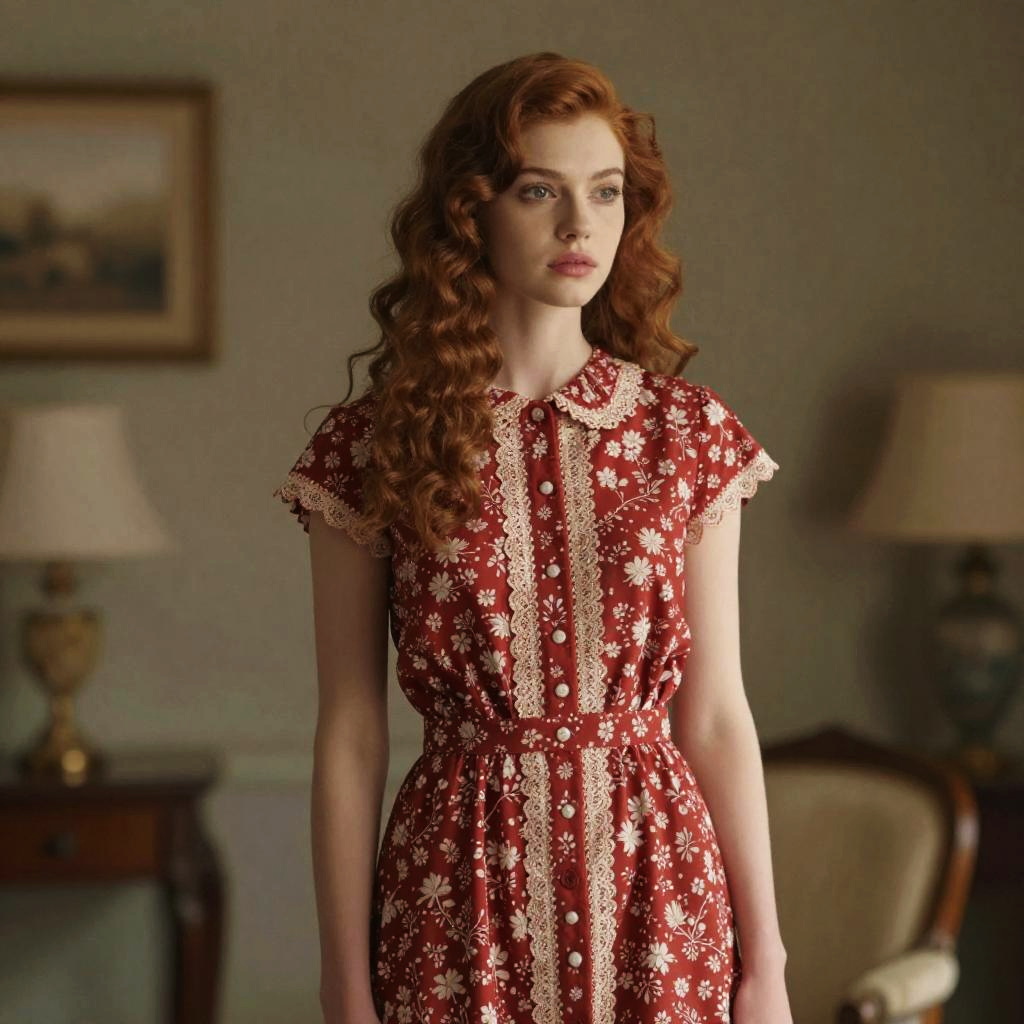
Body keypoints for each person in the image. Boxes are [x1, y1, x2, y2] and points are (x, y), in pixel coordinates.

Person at [273, 51, 791, 1024]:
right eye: (538, 190)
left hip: (657, 885)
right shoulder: (373, 444)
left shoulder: (686, 435)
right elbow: (348, 731)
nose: (579, 224)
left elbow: (715, 713)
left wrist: (764, 962)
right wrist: (344, 983)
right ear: (471, 211)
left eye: (604, 192)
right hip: (452, 889)